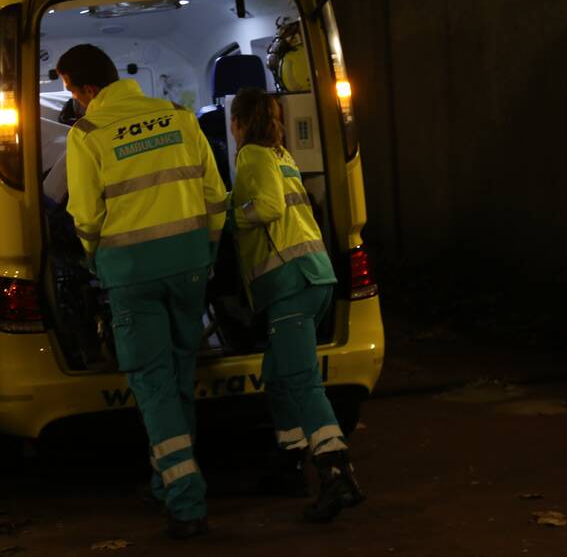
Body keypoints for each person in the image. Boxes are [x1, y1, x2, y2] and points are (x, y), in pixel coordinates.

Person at [60, 44, 226, 538]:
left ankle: (186, 504)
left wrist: (95, 257)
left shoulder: (87, 134)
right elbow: (215, 195)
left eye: (71, 91)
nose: (75, 102)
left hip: (132, 274)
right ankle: (167, 480)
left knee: (152, 386)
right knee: (178, 374)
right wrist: (206, 252)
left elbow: (86, 217)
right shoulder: (177, 116)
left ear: (88, 89)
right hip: (192, 267)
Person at [227, 86, 364, 522]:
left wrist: (225, 215)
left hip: (288, 283)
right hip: (315, 277)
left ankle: (336, 470)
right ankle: (289, 462)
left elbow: (264, 208)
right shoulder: (283, 156)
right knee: (280, 375)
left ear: (239, 123)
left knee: (301, 379)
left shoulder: (252, 156)